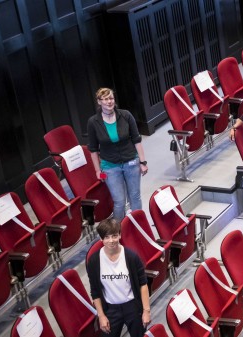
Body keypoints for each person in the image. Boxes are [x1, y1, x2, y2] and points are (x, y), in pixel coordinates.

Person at [87, 88, 147, 221]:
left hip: (131, 161)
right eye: (106, 99)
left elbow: (136, 140)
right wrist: (98, 170)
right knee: (119, 202)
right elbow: (93, 150)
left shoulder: (125, 115)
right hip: (110, 166)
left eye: (111, 98)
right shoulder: (93, 122)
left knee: (135, 197)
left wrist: (143, 162)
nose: (109, 102)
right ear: (99, 102)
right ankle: (119, 232)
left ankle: (138, 227)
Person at [87, 219, 150, 337]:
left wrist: (146, 311)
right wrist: (101, 316)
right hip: (110, 309)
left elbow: (143, 284)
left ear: (120, 235)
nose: (111, 241)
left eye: (114, 236)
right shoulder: (94, 261)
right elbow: (95, 291)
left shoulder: (131, 257)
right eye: (106, 237)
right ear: (101, 239)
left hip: (132, 306)